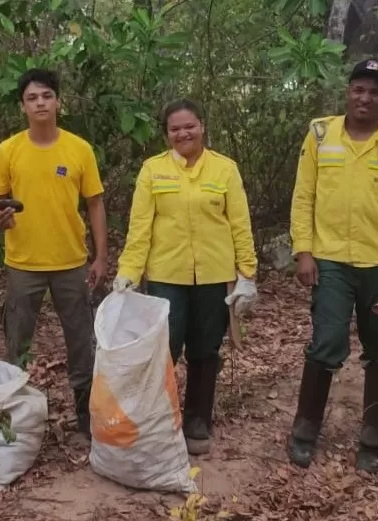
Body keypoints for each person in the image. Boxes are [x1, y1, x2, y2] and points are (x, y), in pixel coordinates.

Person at [286, 58, 378, 472]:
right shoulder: (320, 133)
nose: (365, 97)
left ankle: (372, 439)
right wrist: (304, 251)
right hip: (330, 261)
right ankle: (305, 431)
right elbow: (304, 195)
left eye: (374, 91)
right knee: (326, 342)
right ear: (348, 92)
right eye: (359, 89)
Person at [112, 98, 258, 455]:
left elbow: (240, 224)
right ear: (166, 134)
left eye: (189, 126)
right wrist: (127, 274)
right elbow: (140, 228)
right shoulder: (152, 170)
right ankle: (159, 418)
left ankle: (197, 420)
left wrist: (247, 274)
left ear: (202, 126)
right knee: (165, 348)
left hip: (214, 274)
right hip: (166, 275)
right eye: (175, 129)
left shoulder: (224, 169)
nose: (183, 133)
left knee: (206, 349)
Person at [0, 68, 107, 437]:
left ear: (58, 101)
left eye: (46, 96)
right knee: (17, 339)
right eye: (32, 98)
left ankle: (85, 412)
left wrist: (101, 256)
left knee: (80, 340)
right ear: (22, 106)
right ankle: (14, 413)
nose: (40, 103)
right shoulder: (9, 149)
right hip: (23, 264)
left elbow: (96, 204)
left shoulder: (78, 148)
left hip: (71, 261)